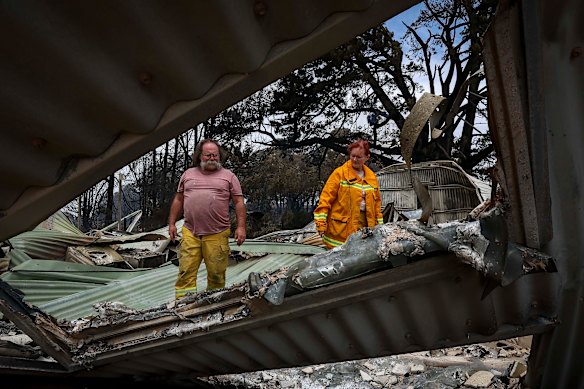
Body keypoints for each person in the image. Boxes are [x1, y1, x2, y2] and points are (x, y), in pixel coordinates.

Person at [168, 139, 246, 300]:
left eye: (215, 155)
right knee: (185, 274)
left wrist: (241, 227)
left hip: (217, 234)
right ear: (199, 156)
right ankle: (184, 306)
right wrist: (171, 223)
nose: (212, 158)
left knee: (217, 275)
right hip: (190, 232)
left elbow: (239, 202)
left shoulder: (229, 176)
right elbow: (178, 199)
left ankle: (213, 305)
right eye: (208, 155)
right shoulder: (188, 174)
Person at [313, 139, 383, 249]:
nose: (354, 159)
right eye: (352, 156)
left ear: (367, 157)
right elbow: (325, 200)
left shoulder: (372, 178)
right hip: (340, 232)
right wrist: (320, 224)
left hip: (365, 228)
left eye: (358, 157)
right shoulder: (339, 174)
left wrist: (379, 227)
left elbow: (377, 206)